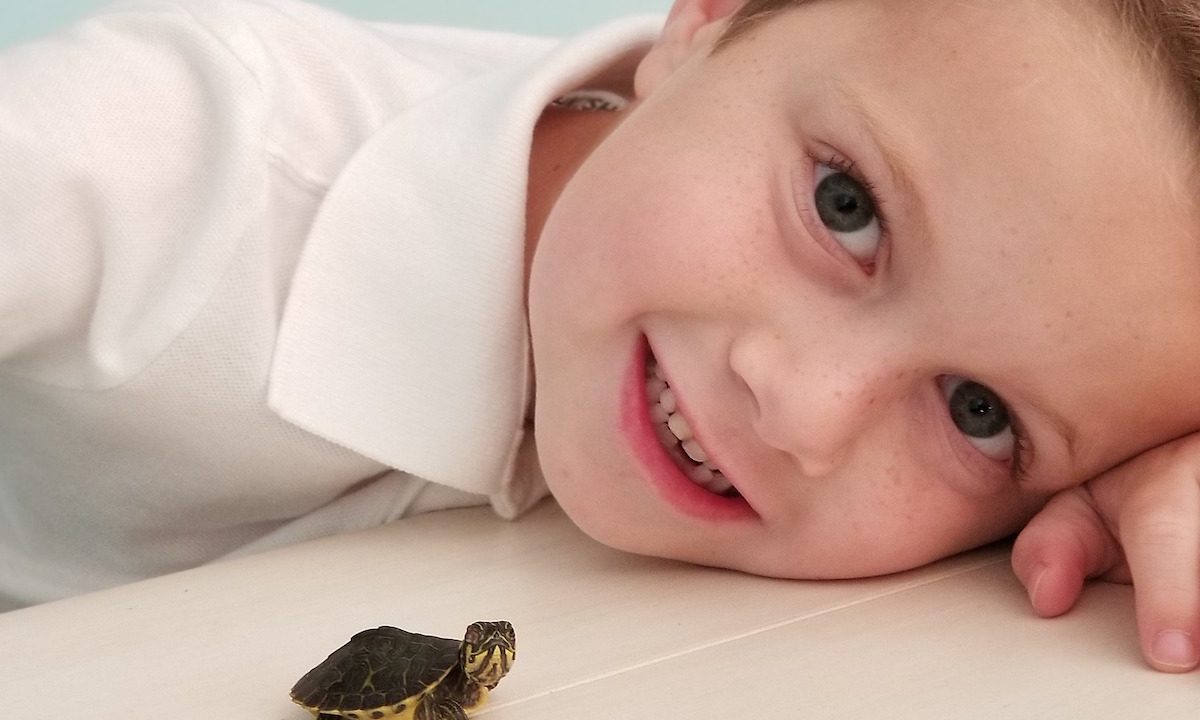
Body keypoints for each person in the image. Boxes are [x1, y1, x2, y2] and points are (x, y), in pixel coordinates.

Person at [0, 0, 1197, 675]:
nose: (809, 412)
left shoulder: (1091, 328)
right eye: (846, 209)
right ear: (709, 19)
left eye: (977, 411)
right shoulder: (158, 157)